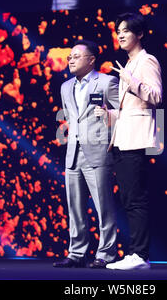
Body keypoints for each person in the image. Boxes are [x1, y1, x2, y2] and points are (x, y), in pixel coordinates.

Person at [95, 13, 162, 270]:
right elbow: (130, 109)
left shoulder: (147, 61)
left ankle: (139, 255)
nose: (120, 35)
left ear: (140, 34)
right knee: (127, 198)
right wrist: (109, 115)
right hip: (122, 140)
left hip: (136, 140)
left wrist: (130, 81)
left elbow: (155, 97)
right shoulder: (129, 64)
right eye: (118, 30)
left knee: (135, 199)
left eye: (126, 30)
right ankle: (135, 253)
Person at [53, 40, 119, 269]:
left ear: (91, 59)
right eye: (69, 56)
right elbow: (69, 117)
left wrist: (109, 115)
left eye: (76, 56)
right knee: (75, 206)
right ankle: (76, 252)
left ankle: (106, 253)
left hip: (98, 152)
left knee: (103, 206)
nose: (70, 59)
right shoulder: (65, 86)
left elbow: (124, 112)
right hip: (73, 153)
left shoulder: (107, 82)